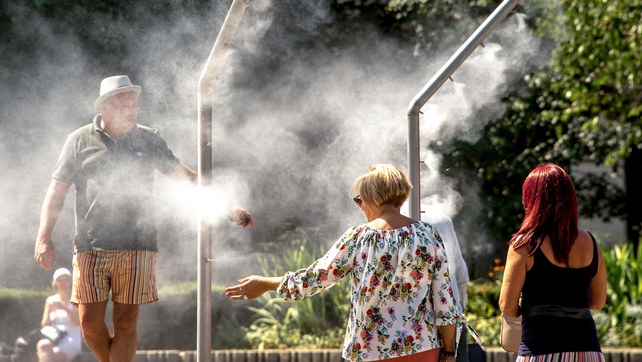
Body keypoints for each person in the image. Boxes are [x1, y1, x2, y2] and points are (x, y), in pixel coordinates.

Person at [34, 75, 254, 362]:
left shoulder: (148, 138)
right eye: (126, 105)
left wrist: (228, 207)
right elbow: (57, 189)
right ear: (106, 108)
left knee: (125, 322)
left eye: (135, 105)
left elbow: (185, 177)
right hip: (89, 246)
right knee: (89, 323)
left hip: (138, 245)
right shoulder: (78, 141)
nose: (134, 111)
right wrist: (43, 237)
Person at [226, 164, 461, 362]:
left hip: (370, 351)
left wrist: (266, 282)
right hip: (422, 350)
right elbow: (444, 301)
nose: (360, 206)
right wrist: (449, 354)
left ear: (373, 198)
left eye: (360, 200)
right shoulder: (428, 234)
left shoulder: (359, 237)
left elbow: (315, 279)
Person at [498, 164, 607, 362]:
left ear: (532, 199)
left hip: (540, 349)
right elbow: (598, 302)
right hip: (587, 351)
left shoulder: (524, 245)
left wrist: (530, 306)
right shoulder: (591, 243)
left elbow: (507, 305)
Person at [422, 209, 469, 362]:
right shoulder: (441, 218)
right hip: (453, 321)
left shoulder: (391, 223)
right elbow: (462, 276)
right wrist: (460, 307)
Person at [37, 268, 82, 362]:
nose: (63, 284)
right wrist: (49, 313)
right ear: (55, 283)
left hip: (71, 336)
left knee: (51, 357)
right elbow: (44, 324)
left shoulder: (76, 299)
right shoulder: (50, 300)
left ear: (70, 282)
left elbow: (79, 323)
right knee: (42, 345)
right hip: (54, 336)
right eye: (60, 280)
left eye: (66, 280)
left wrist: (64, 308)